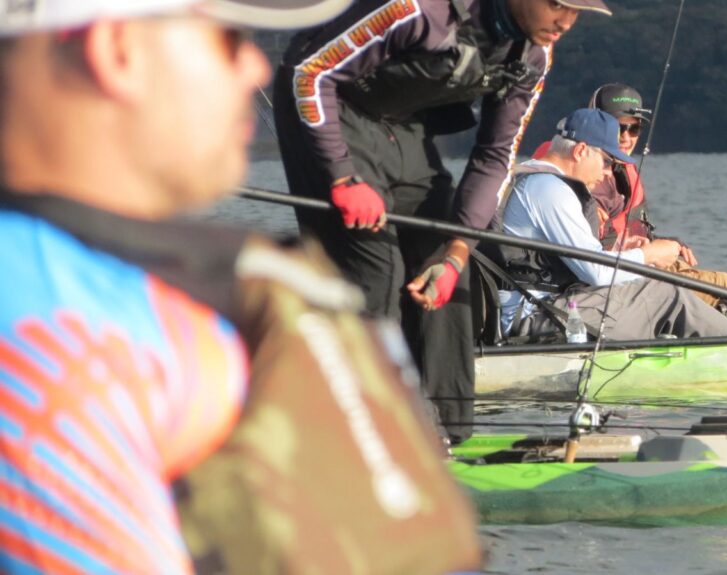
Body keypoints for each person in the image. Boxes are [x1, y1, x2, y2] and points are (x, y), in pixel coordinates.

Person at [0, 1, 479, 573]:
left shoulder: (247, 291)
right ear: (117, 50)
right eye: (227, 38)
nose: (254, 67)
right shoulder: (47, 333)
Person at [273, 0, 612, 442]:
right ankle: (363, 435)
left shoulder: (533, 56)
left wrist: (456, 253)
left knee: (447, 273)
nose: (565, 22)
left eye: (577, 11)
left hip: (403, 127)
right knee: (376, 270)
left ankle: (446, 436)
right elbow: (309, 74)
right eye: (556, 4)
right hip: (328, 112)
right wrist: (342, 177)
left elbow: (495, 156)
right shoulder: (419, 10)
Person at [495, 108, 727, 341]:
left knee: (648, 288)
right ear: (581, 151)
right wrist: (648, 254)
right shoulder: (549, 189)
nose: (608, 172)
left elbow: (572, 259)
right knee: (668, 296)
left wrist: (621, 251)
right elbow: (596, 273)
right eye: (607, 161)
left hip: (544, 307)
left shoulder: (533, 179)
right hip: (535, 317)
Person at [533, 83, 727, 310]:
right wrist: (644, 253)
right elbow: (590, 259)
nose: (626, 137)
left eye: (634, 129)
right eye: (619, 128)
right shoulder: (574, 177)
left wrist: (665, 244)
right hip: (615, 280)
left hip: (638, 263)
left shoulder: (621, 170)